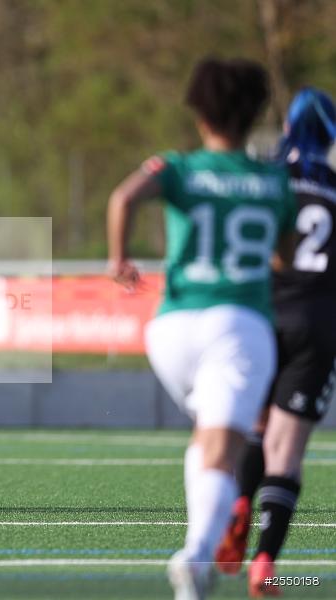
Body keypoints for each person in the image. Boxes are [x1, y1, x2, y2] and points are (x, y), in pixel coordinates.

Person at [106, 57, 296, 599]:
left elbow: (123, 197)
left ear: (199, 114)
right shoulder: (272, 181)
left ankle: (195, 569)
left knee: (209, 436)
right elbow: (285, 257)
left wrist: (118, 258)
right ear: (256, 112)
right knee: (225, 448)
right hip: (238, 326)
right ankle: (195, 556)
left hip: (172, 329)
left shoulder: (177, 168)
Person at [215, 87, 336, 597]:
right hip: (319, 320)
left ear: (286, 128)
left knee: (258, 428)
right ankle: (265, 563)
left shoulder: (264, 176)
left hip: (264, 311)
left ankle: (239, 502)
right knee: (286, 452)